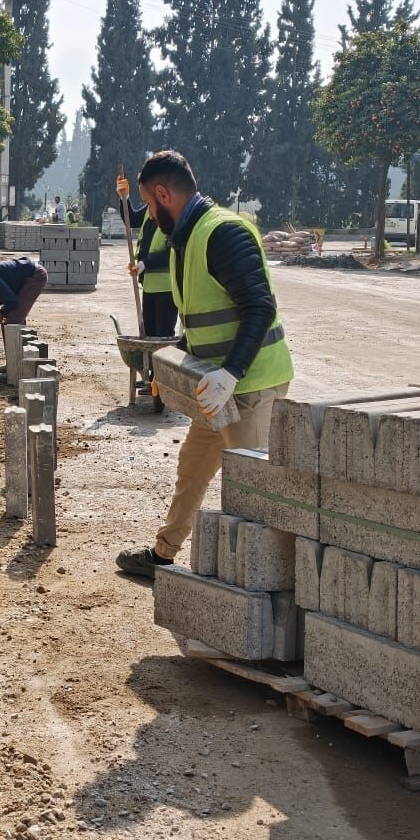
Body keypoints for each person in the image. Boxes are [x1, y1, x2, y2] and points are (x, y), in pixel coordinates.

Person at [116, 150, 294, 580]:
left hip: (251, 386)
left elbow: (259, 308)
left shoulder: (224, 233)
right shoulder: (186, 238)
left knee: (251, 489)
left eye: (150, 206)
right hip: (214, 387)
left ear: (163, 193)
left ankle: (265, 583)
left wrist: (231, 374)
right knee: (192, 468)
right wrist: (175, 368)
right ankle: (163, 553)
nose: (151, 218)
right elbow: (200, 321)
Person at [113, 171, 177, 339]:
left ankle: (160, 365)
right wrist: (124, 198)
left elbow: (173, 253)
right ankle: (149, 365)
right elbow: (131, 219)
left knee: (163, 336)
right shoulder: (150, 208)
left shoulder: (172, 214)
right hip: (149, 285)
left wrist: (145, 263)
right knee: (148, 334)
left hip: (167, 289)